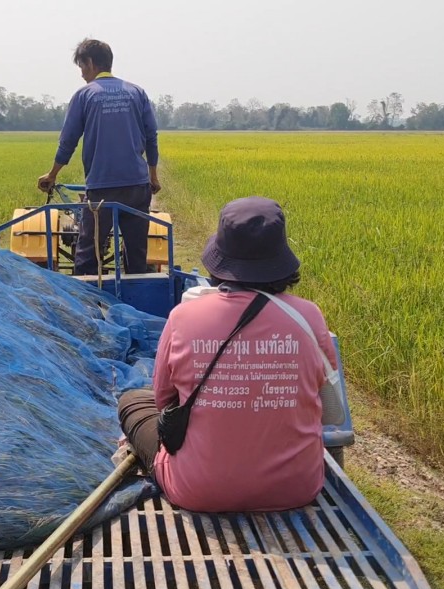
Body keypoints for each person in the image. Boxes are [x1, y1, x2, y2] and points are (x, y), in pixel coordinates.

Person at [118, 196, 341, 512]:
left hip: (198, 491)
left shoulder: (184, 317)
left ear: (219, 262)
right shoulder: (309, 317)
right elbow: (331, 413)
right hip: (296, 489)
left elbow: (164, 401)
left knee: (133, 401)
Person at [37, 39, 161, 276]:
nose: (82, 74)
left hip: (101, 189)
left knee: (88, 255)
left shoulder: (84, 95)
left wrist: (52, 175)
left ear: (90, 63)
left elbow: (68, 141)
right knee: (137, 255)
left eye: (82, 67)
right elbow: (151, 137)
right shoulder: (137, 93)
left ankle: (88, 295)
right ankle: (136, 291)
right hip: (137, 187)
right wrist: (152, 176)